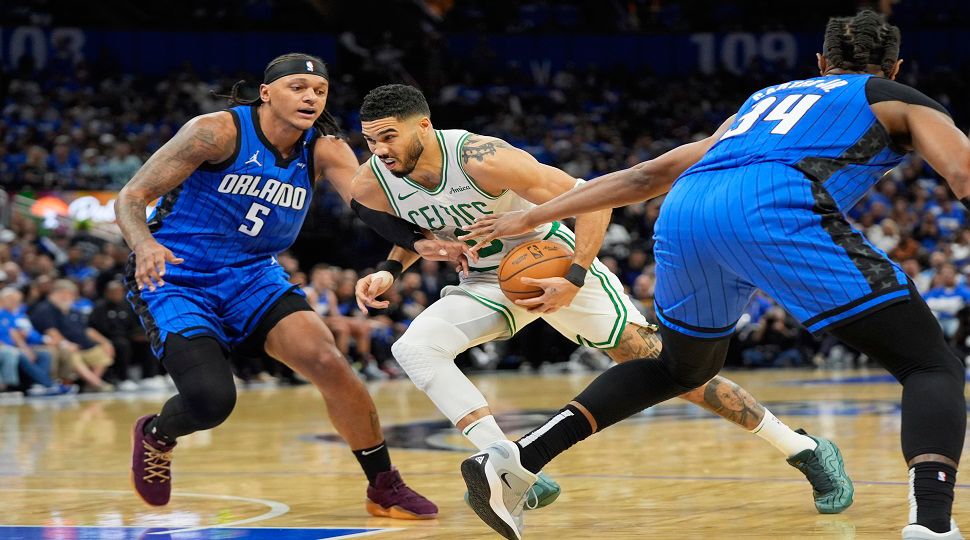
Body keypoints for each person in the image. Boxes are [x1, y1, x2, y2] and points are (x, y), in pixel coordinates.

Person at [460, 11, 967, 539]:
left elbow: (647, 174)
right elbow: (962, 171)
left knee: (679, 369)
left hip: (686, 211)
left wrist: (535, 215)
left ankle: (515, 461)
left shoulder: (761, 102)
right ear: (896, 67)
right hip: (772, 205)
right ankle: (931, 524)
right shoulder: (897, 97)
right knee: (928, 364)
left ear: (820, 63)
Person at [350, 84, 852, 514]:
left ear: (424, 126)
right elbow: (417, 228)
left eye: (389, 136)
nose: (380, 150)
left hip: (554, 263)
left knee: (671, 370)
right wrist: (390, 268)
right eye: (371, 140)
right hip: (486, 281)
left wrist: (574, 276)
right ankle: (508, 466)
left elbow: (592, 199)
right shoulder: (378, 177)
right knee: (415, 348)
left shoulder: (482, 158)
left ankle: (803, 448)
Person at [114, 53, 445, 518]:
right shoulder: (216, 131)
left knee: (330, 362)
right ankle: (157, 435)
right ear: (266, 93)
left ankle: (383, 485)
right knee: (211, 401)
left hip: (253, 275)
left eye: (320, 91)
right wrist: (144, 243)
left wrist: (418, 240)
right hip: (176, 276)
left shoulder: (325, 149)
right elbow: (132, 196)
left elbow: (370, 206)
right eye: (298, 88)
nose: (311, 97)